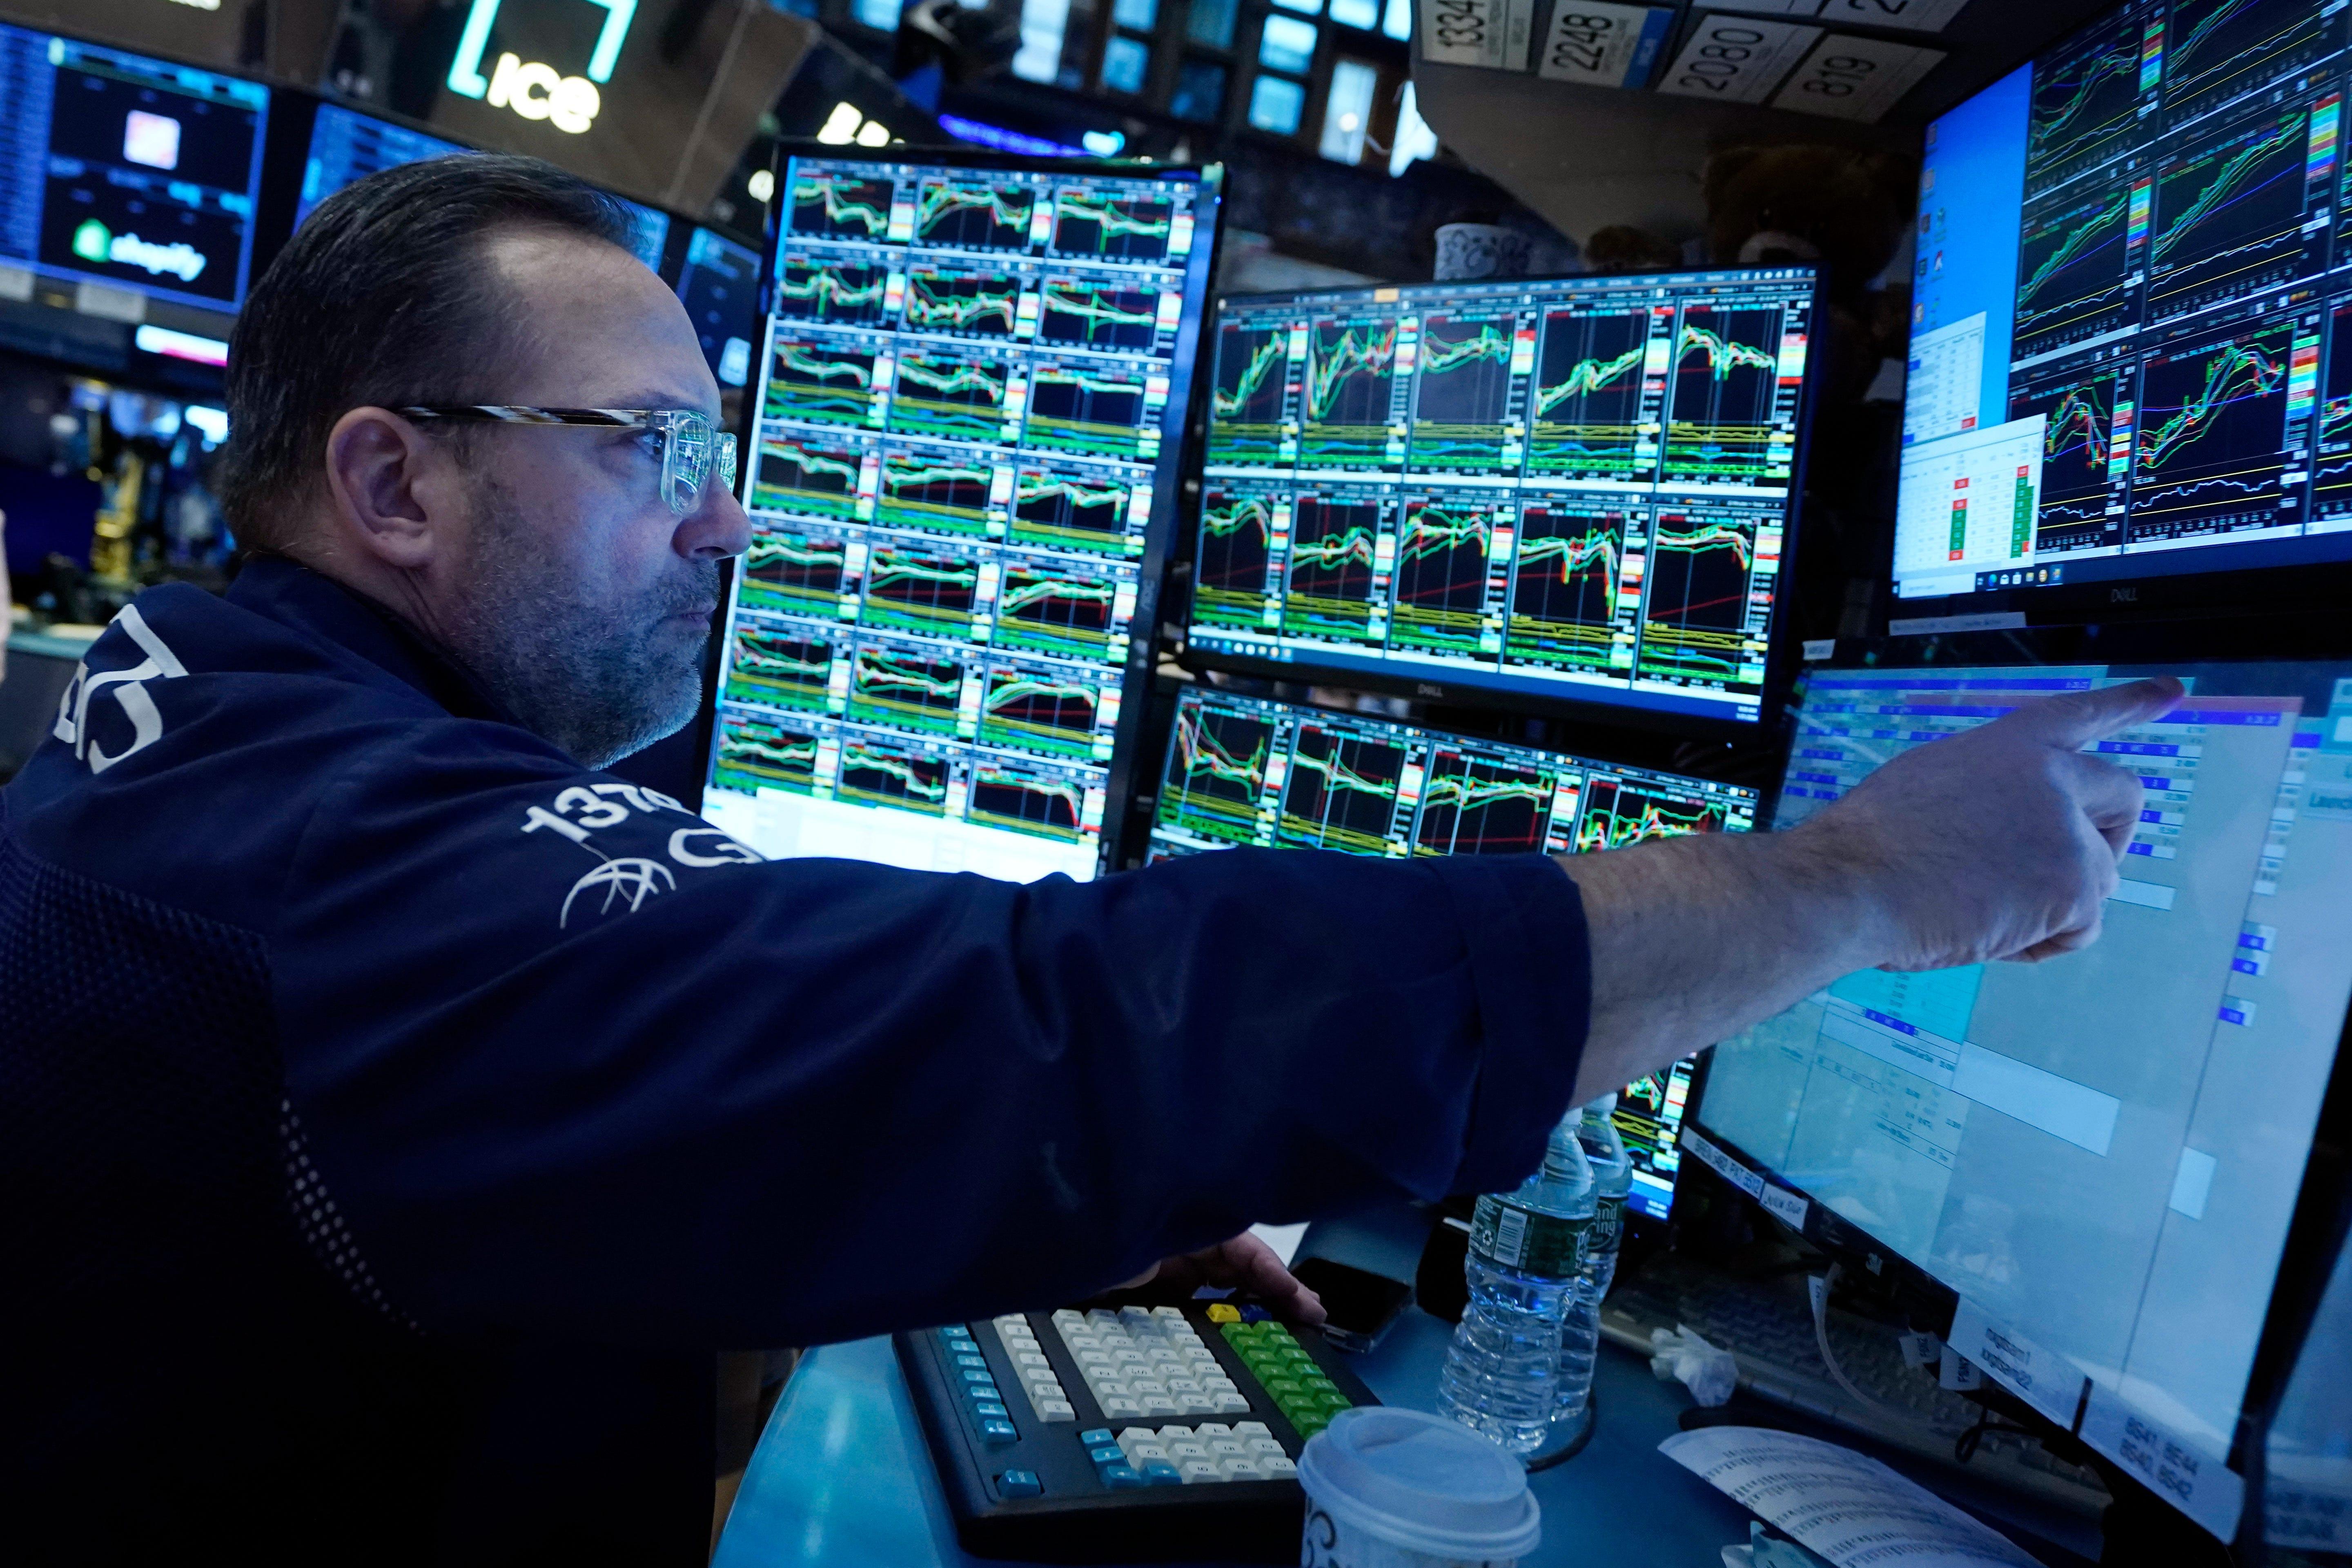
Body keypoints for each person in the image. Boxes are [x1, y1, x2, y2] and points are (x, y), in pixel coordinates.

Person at [0, 155, 2179, 1566]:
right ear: (391, 479)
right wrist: (1864, 879)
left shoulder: (209, 729)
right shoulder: (345, 874)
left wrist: (1019, 1199)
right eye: (652, 448)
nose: (726, 516)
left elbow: (577, 1165)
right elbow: (1037, 1026)